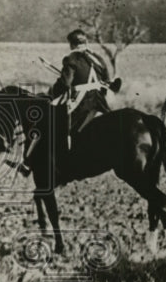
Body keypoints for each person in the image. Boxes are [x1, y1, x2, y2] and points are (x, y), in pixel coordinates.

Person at [21, 29, 119, 174]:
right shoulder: (98, 58)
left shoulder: (71, 59)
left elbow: (65, 84)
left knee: (45, 123)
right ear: (86, 42)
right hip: (99, 102)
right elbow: (106, 81)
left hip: (82, 103)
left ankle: (29, 163)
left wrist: (52, 93)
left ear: (72, 44)